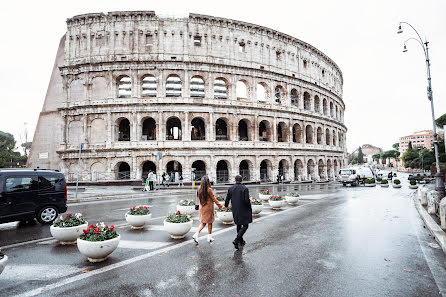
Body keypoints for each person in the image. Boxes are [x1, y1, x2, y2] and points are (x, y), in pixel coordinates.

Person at [192, 176, 223, 243]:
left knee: (204, 222)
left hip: (202, 208)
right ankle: (199, 235)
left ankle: (208, 237)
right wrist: (220, 205)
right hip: (208, 208)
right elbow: (214, 199)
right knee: (209, 222)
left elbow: (198, 197)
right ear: (207, 182)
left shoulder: (199, 189)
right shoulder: (209, 189)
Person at [225, 175, 252, 250]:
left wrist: (226, 206)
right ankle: (237, 240)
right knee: (245, 225)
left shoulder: (231, 188)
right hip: (243, 209)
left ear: (235, 180)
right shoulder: (245, 188)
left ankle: (240, 240)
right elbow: (247, 200)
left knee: (238, 224)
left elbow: (227, 199)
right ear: (242, 180)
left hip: (235, 209)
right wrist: (249, 207)